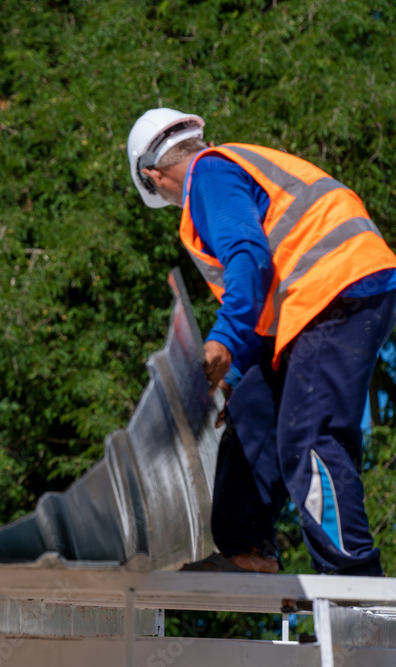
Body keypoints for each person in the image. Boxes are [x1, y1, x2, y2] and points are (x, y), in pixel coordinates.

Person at [126, 108, 396, 575]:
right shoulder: (236, 170)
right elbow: (266, 299)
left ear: (153, 176)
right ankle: (245, 549)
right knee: (252, 405)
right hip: (313, 301)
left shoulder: (208, 173)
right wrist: (232, 376)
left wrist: (223, 340)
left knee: (309, 436)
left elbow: (248, 257)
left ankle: (354, 584)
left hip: (335, 289)